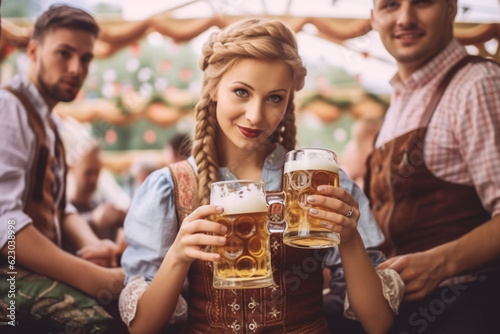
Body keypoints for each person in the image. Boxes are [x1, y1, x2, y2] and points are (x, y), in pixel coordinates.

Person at [119, 18, 403, 334]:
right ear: (213, 89)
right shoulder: (170, 188)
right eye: (241, 92)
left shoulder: (321, 183)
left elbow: (378, 322)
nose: (256, 115)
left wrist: (349, 238)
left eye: (274, 98)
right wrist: (178, 255)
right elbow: (142, 328)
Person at [367, 1, 500, 333]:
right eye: (390, 5)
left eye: (423, 2)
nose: (405, 18)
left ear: (451, 8)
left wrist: (442, 262)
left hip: (464, 307)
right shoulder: (399, 99)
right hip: (400, 308)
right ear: (373, 17)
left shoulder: (477, 84)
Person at [0, 5, 125, 333]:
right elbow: (5, 226)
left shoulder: (51, 124)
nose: (75, 68)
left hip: (28, 268)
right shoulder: (7, 108)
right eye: (64, 54)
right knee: (97, 322)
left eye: (85, 59)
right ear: (33, 51)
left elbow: (59, 207)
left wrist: (92, 246)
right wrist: (97, 278)